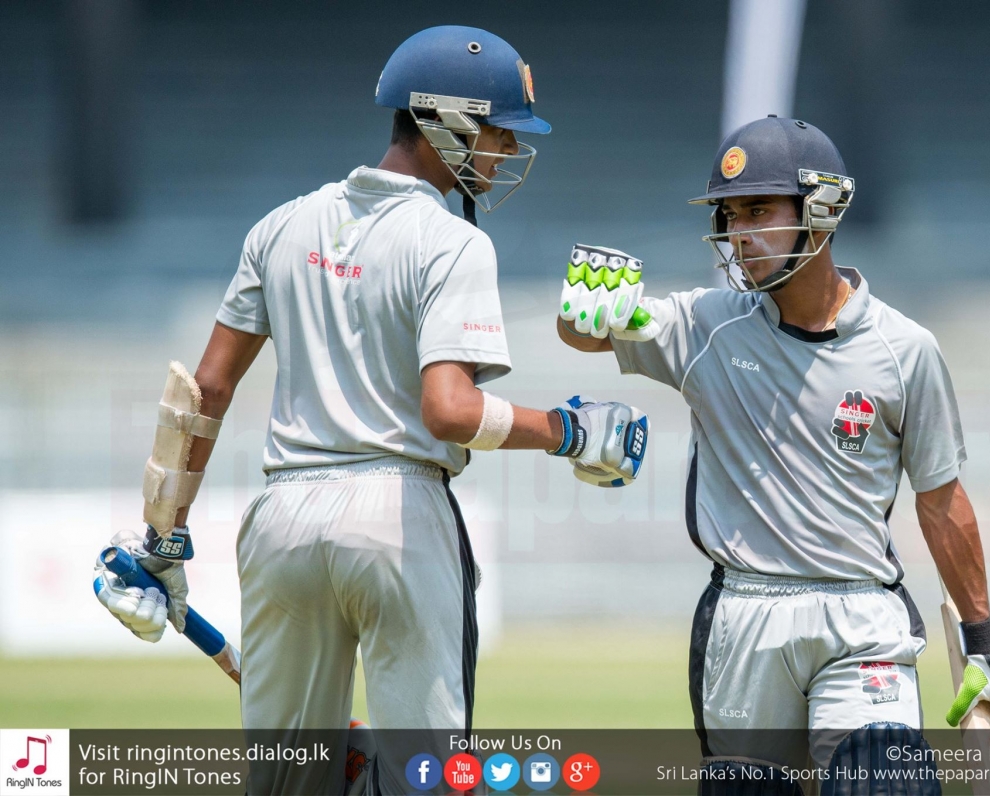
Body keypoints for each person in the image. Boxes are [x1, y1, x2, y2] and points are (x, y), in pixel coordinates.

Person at [93, 25, 648, 794]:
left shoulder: (280, 225)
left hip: (283, 520)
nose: (507, 150)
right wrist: (569, 431)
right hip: (399, 517)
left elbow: (204, 391)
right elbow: (449, 410)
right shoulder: (452, 242)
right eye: (497, 130)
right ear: (447, 123)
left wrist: (164, 538)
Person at [557, 116, 990, 789]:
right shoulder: (706, 324)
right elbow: (589, 332)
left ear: (822, 209)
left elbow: (940, 501)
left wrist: (982, 635)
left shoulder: (905, 350)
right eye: (730, 215)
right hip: (743, 620)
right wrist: (581, 309)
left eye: (759, 210)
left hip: (862, 618)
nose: (739, 233)